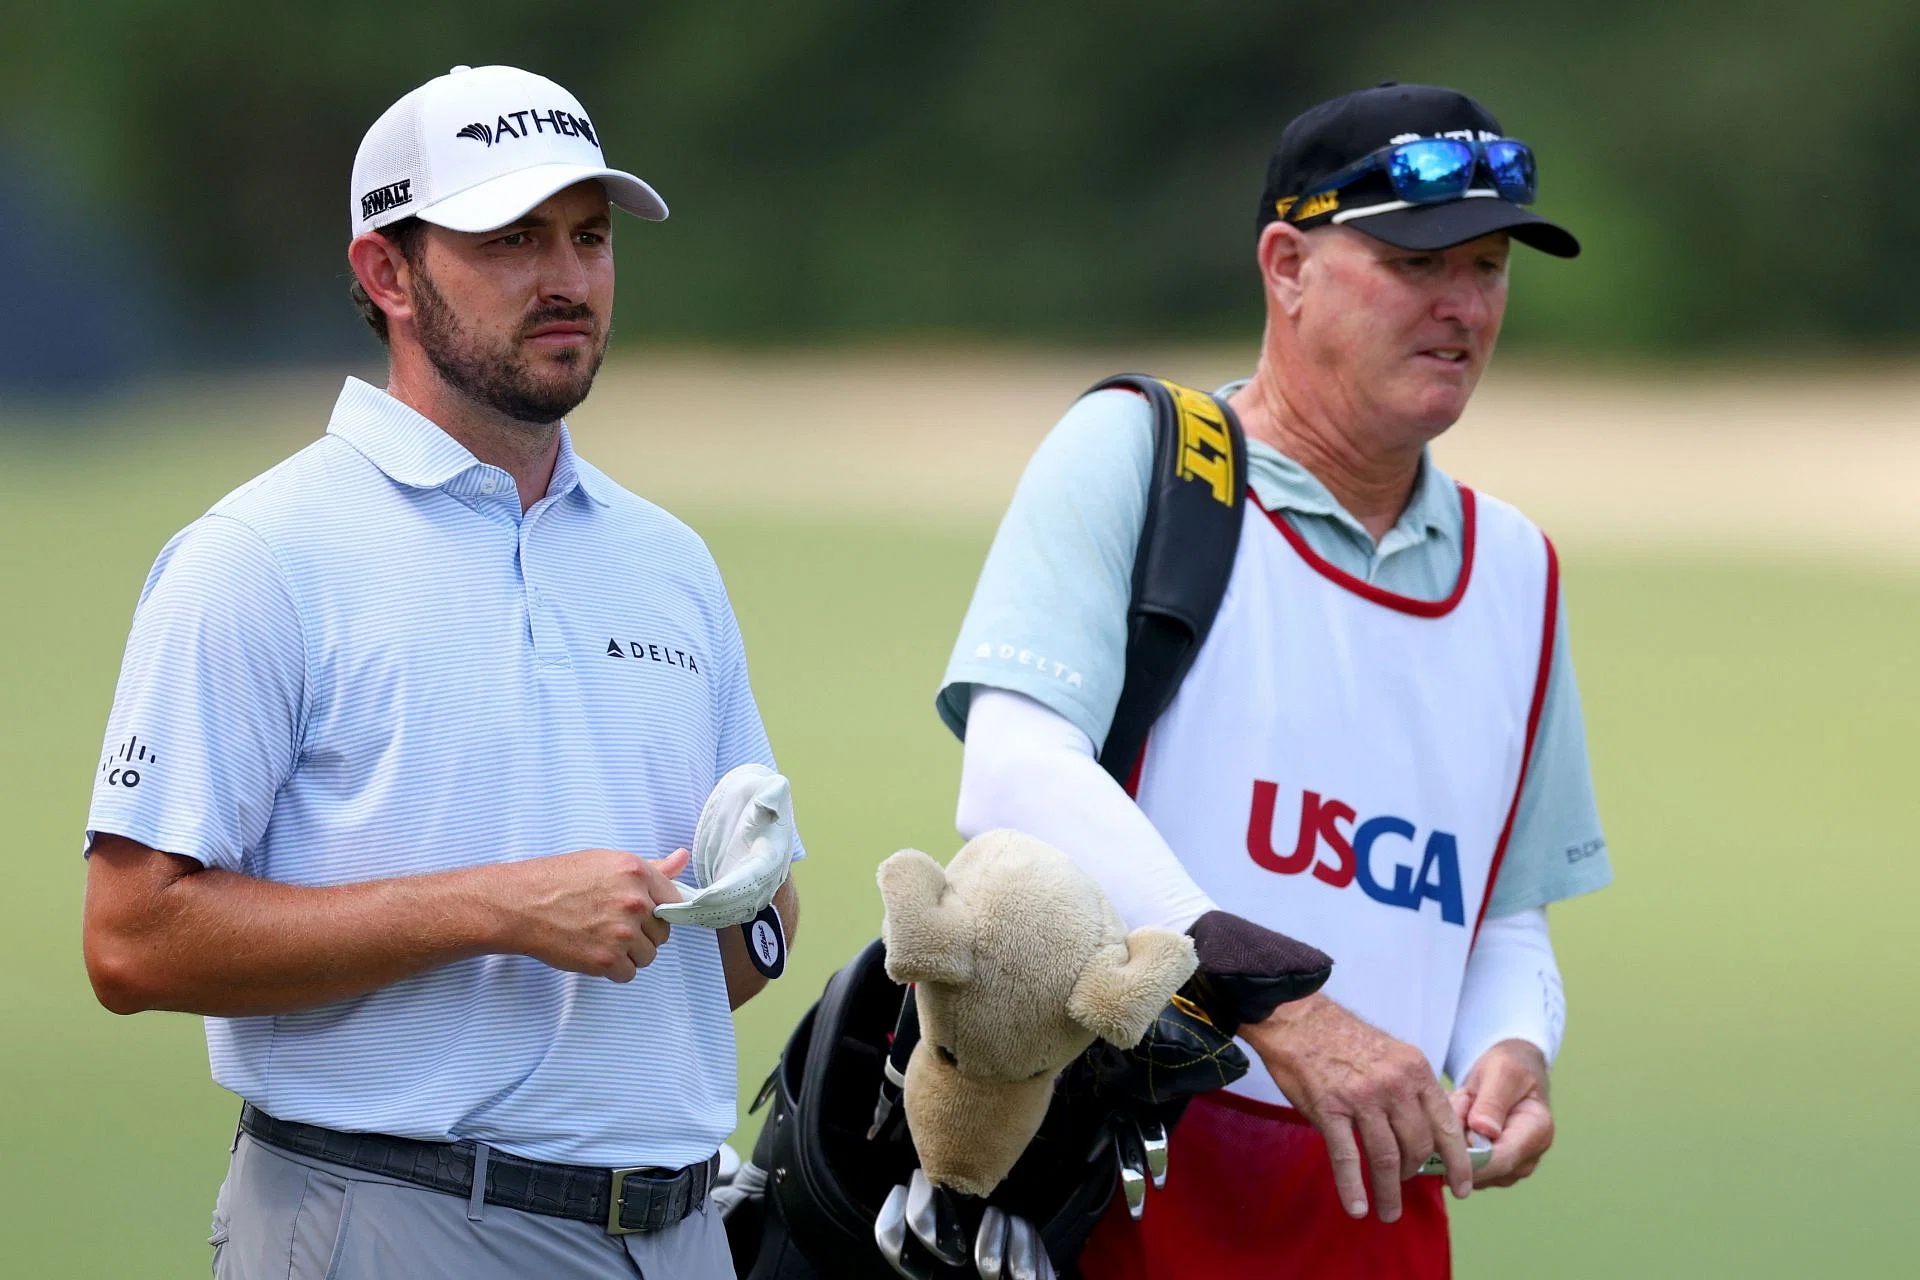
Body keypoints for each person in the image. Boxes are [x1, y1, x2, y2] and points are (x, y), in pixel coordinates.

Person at [79, 64, 797, 1280]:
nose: (567, 278)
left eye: (588, 236)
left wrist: (758, 912)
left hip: (677, 1234)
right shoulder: (260, 556)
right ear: (387, 273)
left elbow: (738, 938)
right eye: (512, 238)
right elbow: (131, 937)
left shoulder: (669, 561)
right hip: (391, 1219)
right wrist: (500, 910)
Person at [936, 82, 1613, 1278]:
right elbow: (1013, 769)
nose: (1464, 305)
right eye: (1419, 263)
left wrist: (1515, 1042)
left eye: (1491, 265)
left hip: (1375, 1205)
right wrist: (1278, 1004)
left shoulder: (1519, 568)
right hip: (1116, 1173)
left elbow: (1501, 909)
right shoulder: (1144, 455)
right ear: (1287, 264)